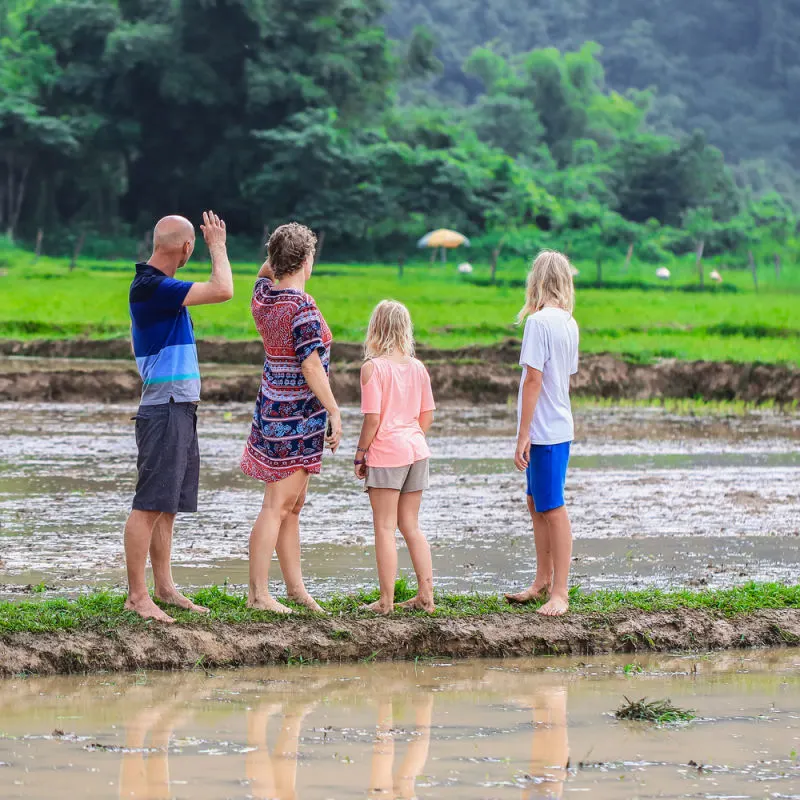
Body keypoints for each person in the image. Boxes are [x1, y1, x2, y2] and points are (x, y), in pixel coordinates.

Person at [124, 211, 233, 623]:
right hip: (165, 406)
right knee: (149, 504)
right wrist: (218, 246)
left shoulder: (162, 288)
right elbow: (223, 289)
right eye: (196, 247)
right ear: (187, 248)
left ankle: (164, 588)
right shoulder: (152, 287)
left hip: (180, 406)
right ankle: (138, 596)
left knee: (167, 505)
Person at [241, 222, 341, 614]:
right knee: (276, 506)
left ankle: (296, 590)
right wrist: (334, 409)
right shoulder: (302, 308)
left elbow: (263, 273)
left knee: (291, 507)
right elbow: (312, 367)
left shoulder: (265, 297)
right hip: (295, 418)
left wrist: (277, 258)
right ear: (305, 260)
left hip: (273, 412)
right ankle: (258, 595)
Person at [505, 250, 579, 617]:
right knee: (536, 503)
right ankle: (541, 582)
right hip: (557, 427)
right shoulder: (568, 322)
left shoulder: (538, 323)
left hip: (546, 432)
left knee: (553, 507)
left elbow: (533, 380)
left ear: (536, 281)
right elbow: (563, 379)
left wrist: (523, 434)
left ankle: (560, 592)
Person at [354, 300, 436, 615]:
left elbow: (372, 420)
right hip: (417, 450)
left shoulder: (373, 368)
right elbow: (427, 414)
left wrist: (360, 454)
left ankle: (386, 601)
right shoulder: (417, 367)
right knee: (411, 525)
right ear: (405, 330)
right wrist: (411, 436)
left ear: (375, 328)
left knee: (385, 528)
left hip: (388, 453)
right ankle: (426, 595)